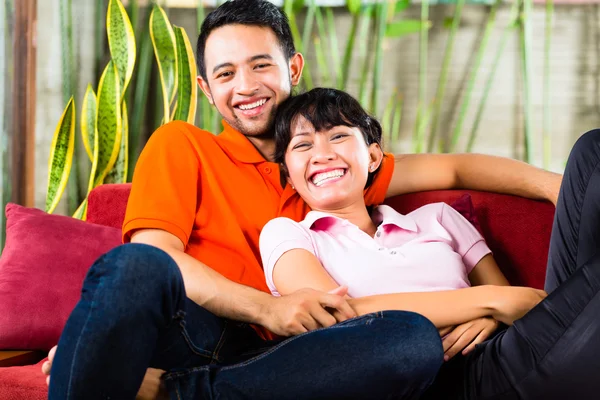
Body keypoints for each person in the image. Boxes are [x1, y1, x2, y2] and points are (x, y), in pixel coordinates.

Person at [42, 1, 562, 399]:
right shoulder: (183, 145)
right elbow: (160, 260)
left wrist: (558, 186)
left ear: (293, 68)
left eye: (261, 65)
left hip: (302, 357)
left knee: (407, 338)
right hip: (202, 333)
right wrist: (270, 308)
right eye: (225, 74)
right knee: (133, 265)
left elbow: (455, 167)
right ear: (204, 87)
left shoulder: (325, 168)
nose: (245, 86)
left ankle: (172, 391)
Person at [260, 87, 600, 400]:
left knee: (591, 150)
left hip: (507, 348)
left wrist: (491, 314)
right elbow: (341, 319)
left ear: (373, 157)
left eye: (338, 136)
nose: (323, 154)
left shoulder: (436, 217)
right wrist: (487, 301)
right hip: (443, 381)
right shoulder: (289, 235)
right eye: (303, 145)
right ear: (288, 174)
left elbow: (511, 303)